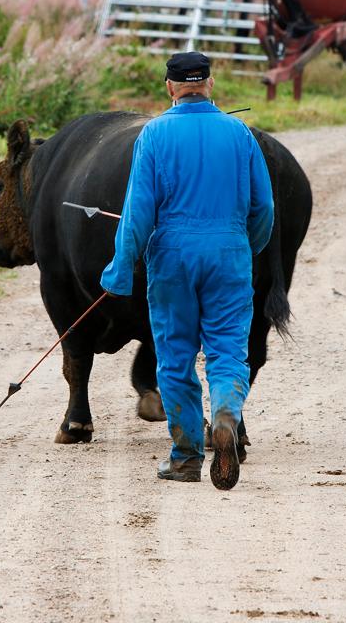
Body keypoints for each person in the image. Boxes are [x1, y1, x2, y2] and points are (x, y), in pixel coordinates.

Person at [100, 52, 275, 490]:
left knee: (175, 356)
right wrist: (243, 248)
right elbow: (265, 208)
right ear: (210, 85)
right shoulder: (240, 134)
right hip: (229, 252)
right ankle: (226, 415)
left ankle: (185, 458)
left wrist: (121, 270)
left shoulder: (154, 134)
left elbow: (138, 212)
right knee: (228, 350)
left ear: (170, 87)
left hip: (173, 257)